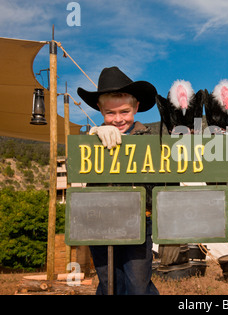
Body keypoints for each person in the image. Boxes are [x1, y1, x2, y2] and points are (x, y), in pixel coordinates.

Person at [77, 66, 159, 295]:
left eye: (124, 111)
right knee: (109, 284)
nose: (118, 119)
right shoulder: (93, 135)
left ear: (136, 108)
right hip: (101, 219)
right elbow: (81, 161)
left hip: (141, 220)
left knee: (138, 286)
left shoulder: (152, 138)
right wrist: (95, 134)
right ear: (100, 110)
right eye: (110, 114)